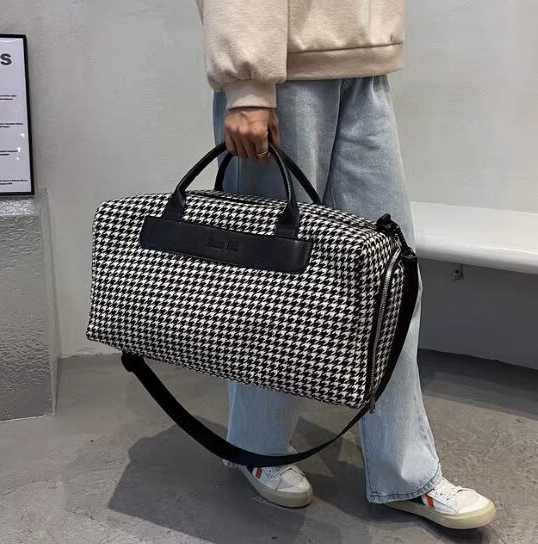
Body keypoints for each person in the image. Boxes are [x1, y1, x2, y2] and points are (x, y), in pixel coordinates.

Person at [194, 0, 496, 530]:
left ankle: (406, 473)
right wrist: (248, 84)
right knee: (272, 282)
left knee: (390, 275)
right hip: (281, 76)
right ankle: (258, 449)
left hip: (363, 64)